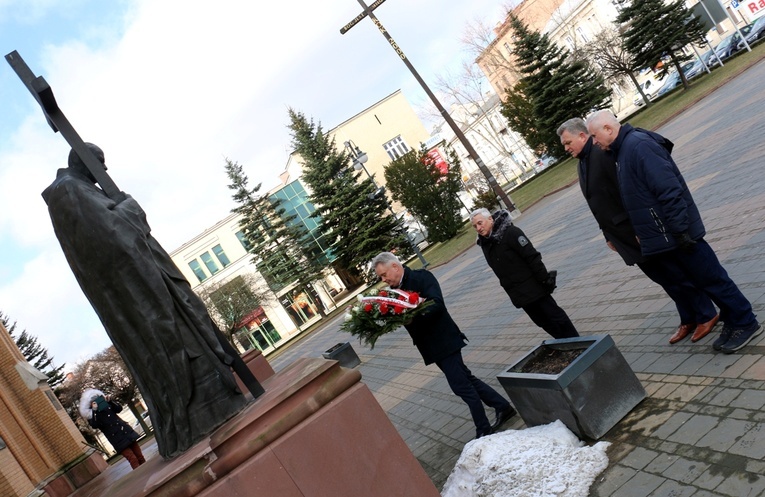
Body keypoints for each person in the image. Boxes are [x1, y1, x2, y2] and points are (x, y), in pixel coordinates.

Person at [42, 144, 255, 459]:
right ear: (85, 162)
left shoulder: (78, 189)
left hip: (139, 281)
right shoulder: (69, 190)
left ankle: (213, 401)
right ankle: (200, 412)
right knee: (174, 338)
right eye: (101, 163)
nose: (105, 171)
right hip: (137, 290)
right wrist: (129, 207)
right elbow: (111, 234)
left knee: (189, 323)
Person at [585, 110, 761, 353]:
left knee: (713, 279)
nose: (593, 142)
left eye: (594, 136)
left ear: (608, 129)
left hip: (680, 234)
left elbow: (670, 191)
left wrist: (680, 232)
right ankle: (734, 319)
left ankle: (746, 322)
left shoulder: (638, 146)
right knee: (705, 281)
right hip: (670, 234)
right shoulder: (623, 150)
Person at [556, 117, 719, 344]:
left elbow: (629, 192)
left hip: (638, 231)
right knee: (664, 278)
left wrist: (640, 228)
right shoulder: (583, 162)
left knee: (674, 275)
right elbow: (599, 203)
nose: (566, 148)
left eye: (567, 142)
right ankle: (688, 317)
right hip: (623, 236)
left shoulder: (602, 155)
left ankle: (706, 313)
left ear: (582, 136)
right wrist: (608, 235)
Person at [372, 252, 515, 439]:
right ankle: (503, 407)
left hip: (444, 340)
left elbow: (437, 304)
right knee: (466, 379)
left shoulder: (421, 278)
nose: (383, 280)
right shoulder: (395, 291)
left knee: (460, 386)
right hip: (431, 346)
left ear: (395, 267)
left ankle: (483, 429)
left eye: (384, 275)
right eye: (381, 277)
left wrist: (414, 314)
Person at [470, 208, 579, 340]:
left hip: (535, 288)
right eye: (475, 226)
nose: (478, 228)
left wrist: (545, 280)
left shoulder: (511, 233)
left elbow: (532, 257)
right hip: (519, 295)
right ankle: (564, 343)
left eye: (480, 223)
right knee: (542, 322)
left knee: (555, 316)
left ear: (490, 219)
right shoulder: (485, 244)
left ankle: (577, 341)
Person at [79, 389, 145, 469]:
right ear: (90, 405)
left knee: (140, 456)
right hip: (116, 439)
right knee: (133, 459)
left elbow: (119, 409)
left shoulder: (107, 405)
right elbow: (95, 425)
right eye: (93, 402)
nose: (97, 402)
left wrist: (110, 401)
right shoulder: (92, 415)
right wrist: (95, 411)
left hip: (125, 432)